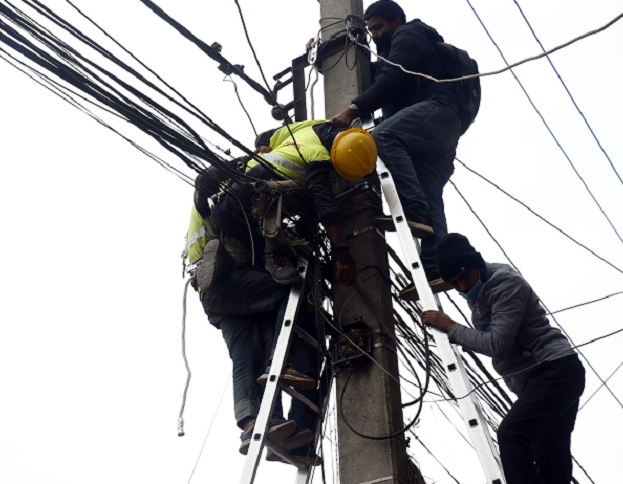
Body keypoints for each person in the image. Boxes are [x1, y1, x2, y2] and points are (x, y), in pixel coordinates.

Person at [421, 233, 586, 484]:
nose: (463, 287)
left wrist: (452, 328)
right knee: (550, 459)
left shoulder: (504, 284)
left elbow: (497, 343)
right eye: (455, 284)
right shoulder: (479, 290)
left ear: (476, 263)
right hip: (542, 377)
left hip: (554, 370)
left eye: (465, 277)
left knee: (512, 435)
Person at [185, 169, 321, 461]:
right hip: (227, 281)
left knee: (245, 357)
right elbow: (205, 185)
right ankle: (279, 364)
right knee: (288, 288)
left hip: (227, 298)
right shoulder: (216, 201)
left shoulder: (220, 205)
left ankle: (258, 427)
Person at [331, 0, 463, 301]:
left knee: (381, 137)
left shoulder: (409, 35)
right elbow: (383, 74)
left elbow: (391, 80)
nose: (374, 35)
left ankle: (412, 210)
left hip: (436, 110)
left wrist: (353, 110)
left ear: (396, 21)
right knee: (432, 200)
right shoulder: (400, 50)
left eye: (377, 28)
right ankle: (437, 269)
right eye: (370, 30)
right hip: (438, 134)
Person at [210, 120, 377, 287]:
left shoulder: (315, 125)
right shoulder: (319, 157)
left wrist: (264, 147)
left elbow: (263, 137)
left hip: (241, 185)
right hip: (242, 209)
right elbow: (324, 202)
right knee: (263, 260)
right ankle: (271, 255)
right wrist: (342, 251)